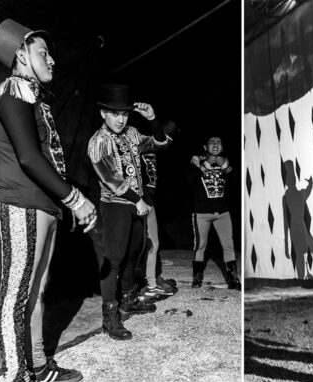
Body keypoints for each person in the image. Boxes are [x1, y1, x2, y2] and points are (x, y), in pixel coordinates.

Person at [0, 19, 97, 382]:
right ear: (20, 54)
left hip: (42, 206)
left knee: (36, 293)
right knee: (15, 295)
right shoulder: (12, 91)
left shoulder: (34, 96)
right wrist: (74, 198)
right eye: (42, 52)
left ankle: (36, 366)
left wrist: (62, 203)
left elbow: (47, 157)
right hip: (21, 204)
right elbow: (30, 159)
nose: (51, 59)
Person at [88, 84, 172, 341]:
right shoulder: (98, 141)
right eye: (115, 113)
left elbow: (160, 145)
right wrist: (138, 200)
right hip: (116, 206)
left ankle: (128, 299)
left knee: (135, 251)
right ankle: (110, 317)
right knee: (114, 259)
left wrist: (153, 120)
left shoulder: (132, 133)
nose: (121, 118)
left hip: (136, 206)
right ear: (103, 113)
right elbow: (112, 180)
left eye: (124, 114)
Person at [188, 136, 241, 290]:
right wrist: (206, 164)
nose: (216, 144)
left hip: (222, 212)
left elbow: (237, 181)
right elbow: (189, 180)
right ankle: (197, 280)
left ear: (222, 147)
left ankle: (233, 280)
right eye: (212, 142)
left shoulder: (225, 163)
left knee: (228, 245)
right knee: (200, 246)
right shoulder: (196, 161)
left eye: (219, 142)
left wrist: (225, 167)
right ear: (205, 147)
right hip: (201, 213)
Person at [134, 119, 179, 299]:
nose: (165, 144)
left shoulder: (154, 152)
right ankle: (134, 286)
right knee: (139, 245)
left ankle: (151, 283)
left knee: (154, 243)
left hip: (150, 200)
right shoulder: (141, 145)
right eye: (164, 139)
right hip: (138, 200)